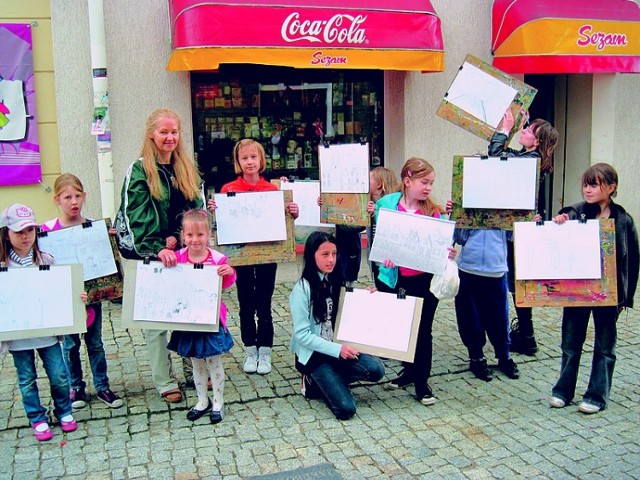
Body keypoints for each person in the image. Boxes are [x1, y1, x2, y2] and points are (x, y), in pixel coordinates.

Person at [114, 108, 205, 403]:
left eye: (174, 132)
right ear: (151, 134)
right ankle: (165, 380)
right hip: (152, 257)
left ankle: (193, 368)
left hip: (184, 253)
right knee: (155, 324)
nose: (169, 137)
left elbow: (196, 209)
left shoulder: (185, 168)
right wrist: (158, 247)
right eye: (164, 132)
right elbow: (136, 214)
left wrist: (180, 239)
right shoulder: (140, 170)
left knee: (189, 316)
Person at [549, 163, 638, 414]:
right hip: (577, 290)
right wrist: (559, 222)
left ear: (611, 188)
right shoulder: (576, 212)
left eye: (594, 184)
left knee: (605, 346)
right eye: (586, 184)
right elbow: (559, 233)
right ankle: (563, 391)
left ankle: (597, 395)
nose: (588, 189)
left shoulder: (623, 220)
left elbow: (632, 260)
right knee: (570, 343)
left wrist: (625, 296)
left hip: (608, 294)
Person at [207, 139, 298, 375]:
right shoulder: (229, 189)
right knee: (246, 303)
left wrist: (292, 213)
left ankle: (265, 351)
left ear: (261, 161)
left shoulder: (272, 190)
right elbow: (222, 226)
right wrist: (216, 212)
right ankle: (250, 348)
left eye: (253, 157)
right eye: (244, 158)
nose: (249, 162)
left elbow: (283, 224)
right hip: (241, 257)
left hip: (268, 255)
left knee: (264, 303)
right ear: (238, 162)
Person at [371, 158, 457, 405]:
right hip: (394, 278)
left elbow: (442, 246)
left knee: (422, 330)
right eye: (424, 182)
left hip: (423, 281)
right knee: (401, 327)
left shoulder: (433, 212)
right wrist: (385, 258)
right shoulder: (386, 204)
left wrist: (448, 252)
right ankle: (408, 371)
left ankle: (422, 381)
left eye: (431, 183)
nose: (428, 187)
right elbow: (382, 237)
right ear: (407, 181)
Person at [41, 173, 124, 409]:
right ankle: (75, 386)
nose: (73, 201)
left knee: (95, 343)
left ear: (84, 197)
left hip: (91, 299)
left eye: (78, 196)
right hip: (65, 301)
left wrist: (107, 243)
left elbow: (104, 271)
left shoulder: (92, 228)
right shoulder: (48, 231)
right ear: (57, 199)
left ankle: (102, 386)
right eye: (68, 197)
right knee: (70, 345)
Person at [0, 203, 78, 441]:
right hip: (18, 337)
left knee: (59, 375)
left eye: (30, 231)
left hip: (48, 332)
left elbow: (62, 290)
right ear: (6, 234)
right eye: (19, 232)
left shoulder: (46, 260)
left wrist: (76, 296)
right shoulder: (3, 266)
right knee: (26, 379)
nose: (26, 237)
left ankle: (64, 410)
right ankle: (37, 417)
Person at [289, 231, 385, 420]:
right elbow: (302, 335)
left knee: (376, 370)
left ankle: (332, 378)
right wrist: (337, 350)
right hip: (315, 355)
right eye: (325, 255)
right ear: (311, 255)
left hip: (338, 347)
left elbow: (350, 309)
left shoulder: (336, 280)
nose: (331, 259)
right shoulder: (302, 289)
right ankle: (311, 380)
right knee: (346, 409)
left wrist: (370, 294)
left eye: (334, 254)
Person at [489, 110, 559, 355]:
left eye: (528, 131)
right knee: (518, 282)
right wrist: (519, 121)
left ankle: (527, 337)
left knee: (518, 282)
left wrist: (506, 129)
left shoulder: (529, 162)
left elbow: (496, 156)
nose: (524, 131)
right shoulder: (529, 158)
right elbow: (506, 155)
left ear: (537, 141)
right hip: (519, 230)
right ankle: (525, 334)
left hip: (518, 232)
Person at [166, 210, 235, 424]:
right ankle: (201, 400)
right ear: (183, 236)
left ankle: (218, 401)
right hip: (189, 319)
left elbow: (227, 283)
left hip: (211, 319)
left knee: (213, 362)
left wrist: (229, 272)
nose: (195, 240)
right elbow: (168, 278)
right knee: (196, 363)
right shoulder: (178, 258)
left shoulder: (217, 258)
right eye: (190, 235)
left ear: (208, 235)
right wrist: (163, 254)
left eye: (200, 235)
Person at [453, 225, 519, 382]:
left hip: (496, 268)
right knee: (469, 317)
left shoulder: (508, 204)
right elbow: (460, 238)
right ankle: (476, 357)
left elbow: (512, 236)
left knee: (499, 317)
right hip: (469, 267)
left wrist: (527, 219)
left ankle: (504, 357)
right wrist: (458, 216)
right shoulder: (468, 201)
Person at [367, 166, 399, 292]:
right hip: (377, 261)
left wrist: (375, 212)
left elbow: (388, 226)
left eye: (368, 180)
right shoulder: (371, 204)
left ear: (379, 184)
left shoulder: (391, 206)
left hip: (388, 264)